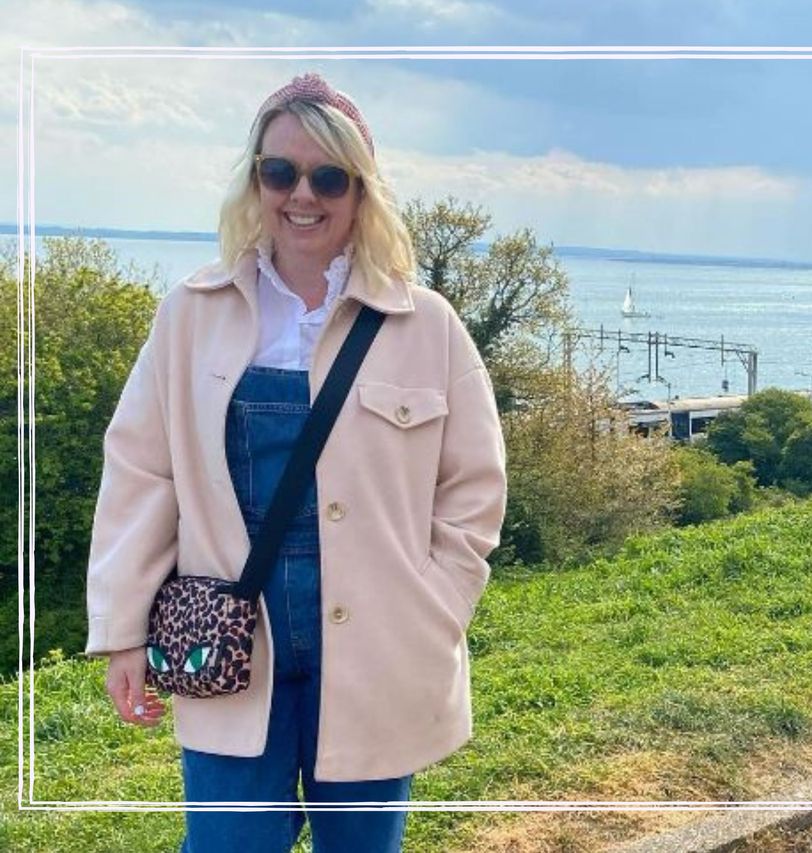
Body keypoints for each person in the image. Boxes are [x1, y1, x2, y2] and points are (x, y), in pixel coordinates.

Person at [84, 72, 507, 852]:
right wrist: (122, 632)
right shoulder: (192, 313)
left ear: (361, 190)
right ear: (255, 180)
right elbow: (141, 474)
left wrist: (435, 609)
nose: (301, 194)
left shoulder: (427, 326)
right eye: (279, 171)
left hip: (381, 645)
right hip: (228, 634)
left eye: (327, 176)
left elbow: (474, 490)